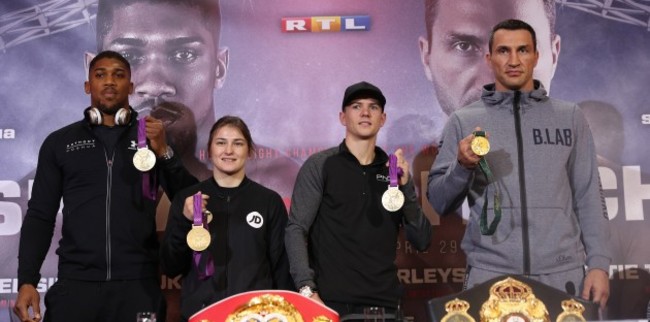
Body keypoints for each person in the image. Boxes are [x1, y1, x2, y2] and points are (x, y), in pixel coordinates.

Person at [427, 19, 610, 308]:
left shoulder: (569, 117)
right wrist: (462, 166)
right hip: (491, 280)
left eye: (523, 50)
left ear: (537, 55)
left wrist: (599, 264)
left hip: (561, 278)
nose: (513, 60)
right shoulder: (463, 121)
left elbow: (589, 196)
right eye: (503, 51)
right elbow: (439, 201)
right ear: (489, 58)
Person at [13, 51, 197, 322]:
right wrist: (27, 280)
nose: (109, 82)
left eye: (119, 75)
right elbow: (40, 215)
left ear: (131, 87)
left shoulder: (153, 137)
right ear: (88, 85)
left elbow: (191, 202)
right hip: (76, 284)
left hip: (138, 285)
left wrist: (165, 153)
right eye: (100, 75)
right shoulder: (60, 142)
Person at [94, 0, 299, 198]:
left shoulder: (275, 183)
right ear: (93, 73)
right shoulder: (76, 173)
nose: (155, 86)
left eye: (184, 54)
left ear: (219, 68)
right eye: (129, 57)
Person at [285, 81, 432, 318]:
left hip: (386, 308)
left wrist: (406, 189)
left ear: (382, 119)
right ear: (343, 117)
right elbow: (296, 229)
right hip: (330, 307)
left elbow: (422, 240)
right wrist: (306, 289)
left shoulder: (394, 170)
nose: (365, 112)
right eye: (356, 106)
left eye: (373, 107)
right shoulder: (321, 165)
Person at [160, 115, 294, 321]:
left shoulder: (269, 202)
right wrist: (185, 222)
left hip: (254, 316)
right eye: (221, 143)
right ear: (209, 150)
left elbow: (282, 270)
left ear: (249, 151)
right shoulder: (188, 200)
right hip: (201, 315)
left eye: (238, 144)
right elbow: (171, 267)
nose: (229, 151)